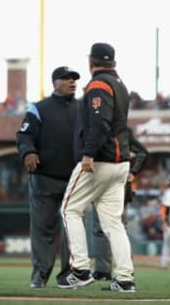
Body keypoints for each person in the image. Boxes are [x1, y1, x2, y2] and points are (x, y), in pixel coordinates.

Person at [58, 42, 136, 292]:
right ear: (113, 62)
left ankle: (80, 270)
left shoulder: (99, 84)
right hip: (120, 163)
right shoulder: (120, 84)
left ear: (91, 61)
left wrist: (88, 154)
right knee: (113, 223)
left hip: (100, 160)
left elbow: (100, 122)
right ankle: (125, 278)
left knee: (70, 209)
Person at [16, 66, 80, 288]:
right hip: (44, 177)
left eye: (74, 79)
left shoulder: (83, 108)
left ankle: (68, 275)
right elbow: (24, 135)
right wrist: (29, 151)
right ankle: (40, 275)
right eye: (67, 79)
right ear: (55, 83)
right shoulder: (39, 108)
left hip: (75, 178)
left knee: (72, 229)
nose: (72, 82)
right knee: (43, 228)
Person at [91, 127, 148, 280]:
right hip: (121, 181)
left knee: (100, 228)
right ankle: (126, 269)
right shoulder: (123, 130)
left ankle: (103, 271)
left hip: (102, 180)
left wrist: (133, 173)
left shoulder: (96, 127)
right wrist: (133, 173)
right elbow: (143, 152)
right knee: (120, 227)